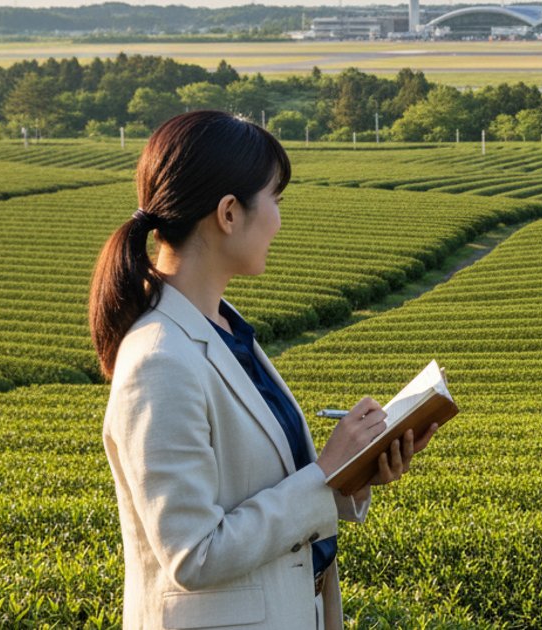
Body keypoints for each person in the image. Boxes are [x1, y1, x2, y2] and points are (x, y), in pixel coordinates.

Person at [90, 110, 436, 630]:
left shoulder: (226, 333)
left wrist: (350, 475)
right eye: (275, 199)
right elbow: (193, 555)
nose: (279, 218)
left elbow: (258, 490)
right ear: (229, 213)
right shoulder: (159, 361)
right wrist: (322, 474)